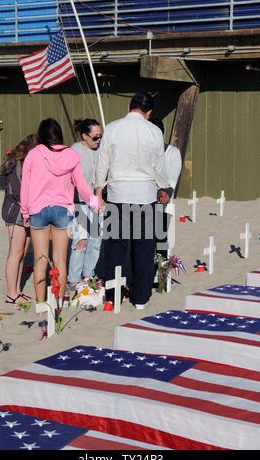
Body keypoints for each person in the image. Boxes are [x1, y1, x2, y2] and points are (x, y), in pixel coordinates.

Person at [95, 92, 172, 310]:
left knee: (115, 248)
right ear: (148, 113)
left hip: (118, 193)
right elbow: (160, 163)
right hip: (145, 194)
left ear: (129, 106)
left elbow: (103, 161)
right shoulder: (155, 131)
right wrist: (163, 187)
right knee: (143, 247)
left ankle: (114, 296)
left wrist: (99, 189)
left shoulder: (111, 127)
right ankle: (140, 298)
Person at [20, 118, 101, 307]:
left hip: (38, 211)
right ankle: (58, 305)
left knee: (40, 259)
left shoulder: (33, 154)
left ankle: (41, 307)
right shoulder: (71, 155)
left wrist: (25, 213)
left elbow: (26, 187)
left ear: (41, 135)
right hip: (63, 211)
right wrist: (95, 202)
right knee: (60, 260)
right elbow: (82, 186)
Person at [0, 134, 39, 308]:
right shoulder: (16, 164)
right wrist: (27, 211)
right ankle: (11, 293)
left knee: (22, 252)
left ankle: (17, 290)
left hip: (28, 212)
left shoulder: (27, 163)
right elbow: (16, 192)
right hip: (16, 213)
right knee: (15, 252)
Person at [67, 118, 102, 291]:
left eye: (100, 136)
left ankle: (88, 275)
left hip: (96, 202)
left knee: (95, 240)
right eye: (95, 137)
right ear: (84, 136)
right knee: (80, 241)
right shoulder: (74, 151)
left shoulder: (100, 151)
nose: (99, 141)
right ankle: (73, 279)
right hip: (78, 202)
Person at [149, 117, 182, 256]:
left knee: (160, 245)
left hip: (162, 208)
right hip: (143, 206)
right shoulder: (144, 153)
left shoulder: (173, 153)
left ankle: (161, 275)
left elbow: (170, 184)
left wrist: (156, 193)